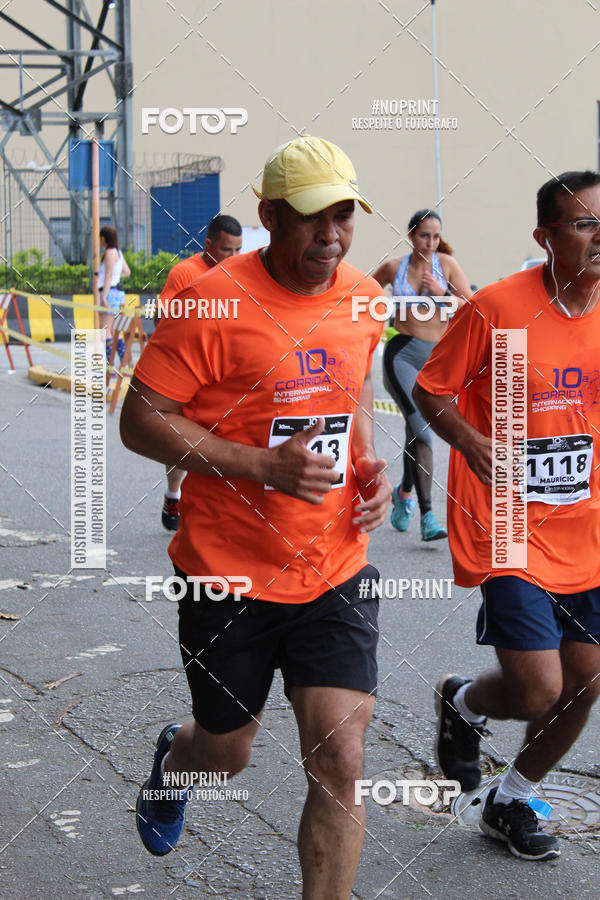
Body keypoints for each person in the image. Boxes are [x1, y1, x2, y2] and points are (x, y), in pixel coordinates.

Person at [120, 135, 392, 898]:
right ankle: (175, 764)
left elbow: (351, 395)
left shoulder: (365, 297)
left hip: (334, 562)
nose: (330, 235)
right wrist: (262, 466)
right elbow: (141, 420)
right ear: (269, 215)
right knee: (226, 751)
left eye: (343, 215)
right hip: (226, 571)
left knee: (341, 758)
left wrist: (368, 467)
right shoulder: (212, 302)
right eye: (311, 217)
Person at [413, 170, 600, 861]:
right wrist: (472, 443)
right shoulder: (497, 307)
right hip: (511, 521)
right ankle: (468, 705)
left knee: (585, 682)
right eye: (584, 224)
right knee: (538, 686)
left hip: (587, 525)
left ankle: (510, 798)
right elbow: (433, 390)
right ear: (546, 238)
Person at [372, 210, 471, 541]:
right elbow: (361, 298)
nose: (431, 243)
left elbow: (472, 306)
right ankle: (428, 515)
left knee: (416, 433)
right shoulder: (394, 267)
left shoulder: (446, 266)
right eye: (425, 236)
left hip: (437, 359)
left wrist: (442, 294)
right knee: (423, 433)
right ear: (412, 235)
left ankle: (403, 493)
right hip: (402, 355)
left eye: (436, 236)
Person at [158, 214, 243, 531]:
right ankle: (173, 492)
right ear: (209, 245)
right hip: (191, 369)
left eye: (238, 250)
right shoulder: (185, 273)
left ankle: (218, 507)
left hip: (229, 371)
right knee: (184, 439)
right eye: (226, 250)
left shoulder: (242, 274)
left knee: (228, 437)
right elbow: (163, 318)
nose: (233, 258)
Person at [96, 225, 130, 362]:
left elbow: (108, 275)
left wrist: (104, 296)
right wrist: (117, 277)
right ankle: (125, 364)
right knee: (116, 331)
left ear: (103, 238)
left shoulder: (110, 252)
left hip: (110, 293)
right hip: (118, 293)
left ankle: (111, 368)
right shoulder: (118, 252)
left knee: (105, 331)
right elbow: (127, 272)